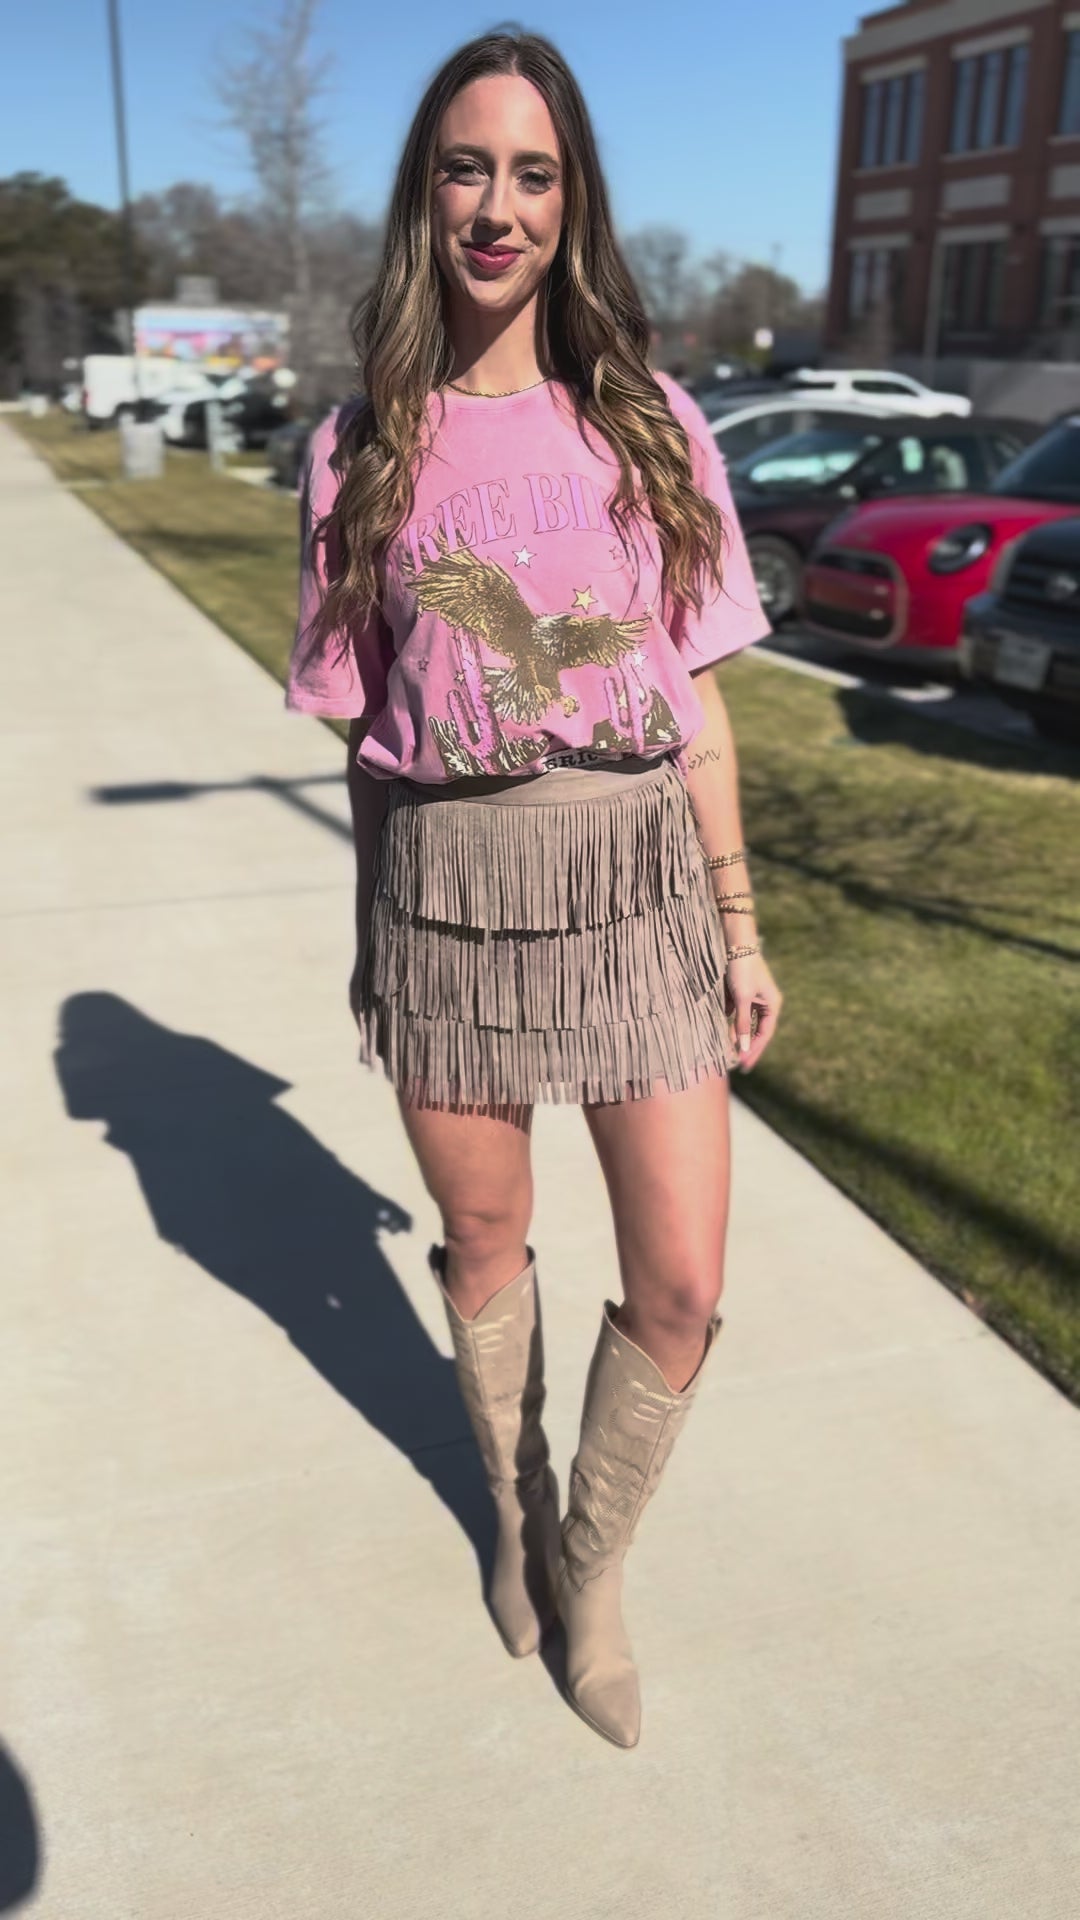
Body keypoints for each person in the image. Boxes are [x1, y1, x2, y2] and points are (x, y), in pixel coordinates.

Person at [286, 29, 782, 1750]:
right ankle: (512, 1512)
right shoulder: (363, 447)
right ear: (427, 195)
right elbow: (364, 739)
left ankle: (599, 1563)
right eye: (467, 168)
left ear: (575, 207)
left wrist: (738, 922)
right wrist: (374, 945)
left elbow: (698, 691)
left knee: (681, 1282)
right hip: (447, 894)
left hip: (636, 881)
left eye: (534, 172)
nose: (498, 207)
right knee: (487, 1244)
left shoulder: (651, 426)